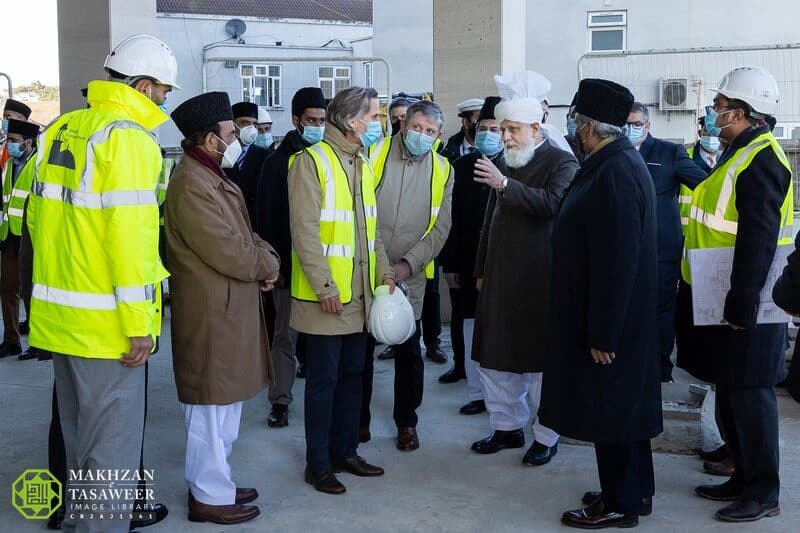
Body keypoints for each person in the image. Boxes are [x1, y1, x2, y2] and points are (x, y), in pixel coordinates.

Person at [26, 34, 178, 533]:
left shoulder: (61, 129)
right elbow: (132, 245)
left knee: (79, 451)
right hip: (108, 331)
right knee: (109, 461)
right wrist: (140, 325)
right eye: (162, 91)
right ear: (140, 85)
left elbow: (35, 224)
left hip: (60, 321)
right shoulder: (128, 140)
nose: (163, 102)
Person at [540, 78, 661, 529]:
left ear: (590, 128)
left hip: (613, 325)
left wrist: (603, 333)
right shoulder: (612, 162)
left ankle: (619, 502)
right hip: (616, 320)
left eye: (575, 121)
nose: (571, 128)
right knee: (622, 411)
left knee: (613, 412)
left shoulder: (615, 172)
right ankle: (634, 491)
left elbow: (617, 262)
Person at [676, 66, 792, 523]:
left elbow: (758, 241)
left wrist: (741, 303)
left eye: (719, 107)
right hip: (721, 295)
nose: (712, 114)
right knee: (730, 390)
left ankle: (763, 491)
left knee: (751, 397)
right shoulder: (736, 151)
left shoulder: (761, 158)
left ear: (740, 113)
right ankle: (742, 476)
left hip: (747, 304)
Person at [166, 91, 280, 525]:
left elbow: (246, 236)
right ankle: (208, 496)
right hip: (212, 315)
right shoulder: (192, 184)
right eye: (230, 132)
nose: (237, 138)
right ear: (210, 139)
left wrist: (266, 260)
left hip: (227, 309)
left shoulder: (211, 176)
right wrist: (268, 265)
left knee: (224, 407)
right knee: (209, 412)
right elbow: (229, 251)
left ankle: (216, 482)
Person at [289, 86, 395, 495]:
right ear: (353, 122)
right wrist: (325, 286)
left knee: (355, 375)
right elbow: (305, 233)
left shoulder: (363, 163)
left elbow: (372, 234)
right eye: (373, 116)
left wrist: (384, 273)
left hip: (361, 296)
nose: (377, 123)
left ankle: (345, 452)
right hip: (327, 298)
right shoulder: (309, 162)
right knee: (322, 381)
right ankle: (318, 464)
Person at [469, 73, 577, 467]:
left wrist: (505, 186)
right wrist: (481, 268)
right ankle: (506, 427)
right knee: (496, 357)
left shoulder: (562, 162)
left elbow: (554, 205)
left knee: (539, 364)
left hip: (540, 279)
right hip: (499, 277)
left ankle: (546, 435)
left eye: (513, 130)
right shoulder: (504, 162)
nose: (506, 137)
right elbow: (490, 222)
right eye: (502, 130)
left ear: (536, 127)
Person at [361, 100, 453, 450]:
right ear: (403, 125)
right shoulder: (375, 152)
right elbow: (364, 214)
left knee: (409, 352)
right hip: (370, 269)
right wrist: (385, 266)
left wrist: (406, 266)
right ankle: (359, 423)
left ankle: (407, 423)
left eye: (430, 131)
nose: (422, 135)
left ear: (438, 134)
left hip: (411, 275)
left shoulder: (443, 169)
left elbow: (440, 229)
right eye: (417, 128)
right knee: (362, 350)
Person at [256, 86, 327, 429]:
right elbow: (266, 221)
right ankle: (280, 400)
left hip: (326, 267)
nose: (317, 126)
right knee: (285, 336)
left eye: (322, 120)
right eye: (311, 120)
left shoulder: (329, 158)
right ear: (296, 120)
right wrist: (276, 266)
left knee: (323, 338)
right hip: (290, 267)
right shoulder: (277, 162)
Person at [624, 101, 707, 382]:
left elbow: (704, 185)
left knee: (660, 308)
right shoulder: (613, 153)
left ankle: (660, 368)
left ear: (648, 126)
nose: (631, 129)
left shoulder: (669, 152)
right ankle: (627, 362)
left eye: (637, 124)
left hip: (662, 248)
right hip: (622, 248)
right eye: (626, 123)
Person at [438, 97, 501, 412]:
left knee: (495, 331)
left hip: (498, 267)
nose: (489, 134)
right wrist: (448, 263)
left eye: (495, 129)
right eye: (484, 128)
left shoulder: (512, 169)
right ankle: (475, 392)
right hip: (463, 262)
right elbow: (448, 219)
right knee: (465, 323)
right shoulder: (460, 167)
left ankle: (498, 396)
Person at [0, 119, 39, 358]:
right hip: (9, 236)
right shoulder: (8, 165)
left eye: (14, 141)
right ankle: (12, 340)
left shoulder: (38, 164)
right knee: (7, 288)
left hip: (31, 235)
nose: (10, 145)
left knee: (31, 290)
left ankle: (37, 341)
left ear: (28, 142)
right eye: (9, 140)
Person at [226, 101, 272, 226]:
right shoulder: (221, 155)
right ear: (233, 124)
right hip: (229, 223)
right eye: (245, 123)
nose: (251, 129)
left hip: (255, 225)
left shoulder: (266, 157)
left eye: (254, 124)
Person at [679, 117, 721, 233]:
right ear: (700, 133)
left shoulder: (731, 161)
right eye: (708, 132)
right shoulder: (682, 158)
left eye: (716, 132)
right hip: (684, 233)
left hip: (715, 236)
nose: (712, 137)